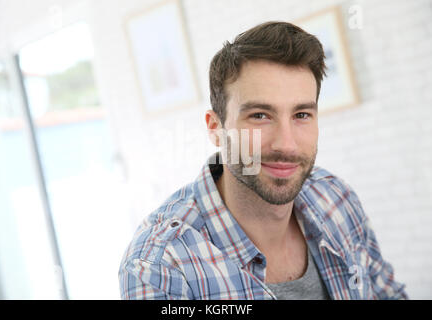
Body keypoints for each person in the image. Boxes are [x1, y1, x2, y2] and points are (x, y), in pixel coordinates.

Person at [118, 21, 408, 300]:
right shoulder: (159, 266)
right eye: (260, 116)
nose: (286, 143)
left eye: (301, 115)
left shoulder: (336, 198)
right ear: (215, 128)